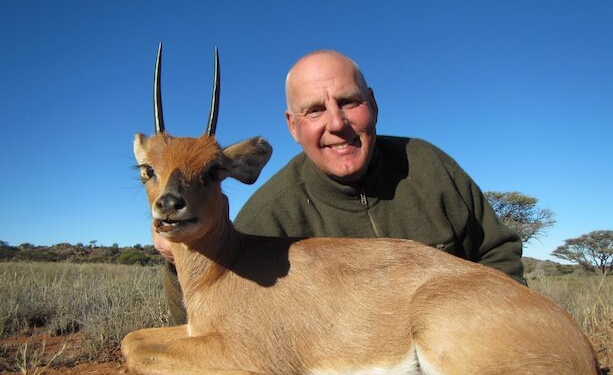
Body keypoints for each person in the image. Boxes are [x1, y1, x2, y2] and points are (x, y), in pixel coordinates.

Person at [156, 50, 525, 325]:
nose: (337, 123)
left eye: (349, 102)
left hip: (463, 351)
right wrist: (179, 257)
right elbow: (210, 323)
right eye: (315, 110)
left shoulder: (429, 165)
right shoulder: (271, 213)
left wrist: (501, 329)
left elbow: (497, 252)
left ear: (374, 105)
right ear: (292, 126)